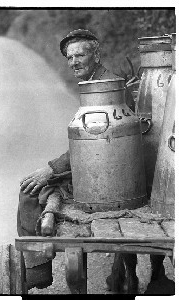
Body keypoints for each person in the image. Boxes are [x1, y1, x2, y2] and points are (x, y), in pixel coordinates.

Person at [17, 29, 138, 292]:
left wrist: (51, 169)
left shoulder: (110, 88)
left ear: (97, 54)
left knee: (29, 190)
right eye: (70, 58)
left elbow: (96, 145)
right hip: (98, 166)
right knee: (36, 185)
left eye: (80, 55)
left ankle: (37, 269)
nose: (73, 62)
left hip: (104, 172)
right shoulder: (94, 85)